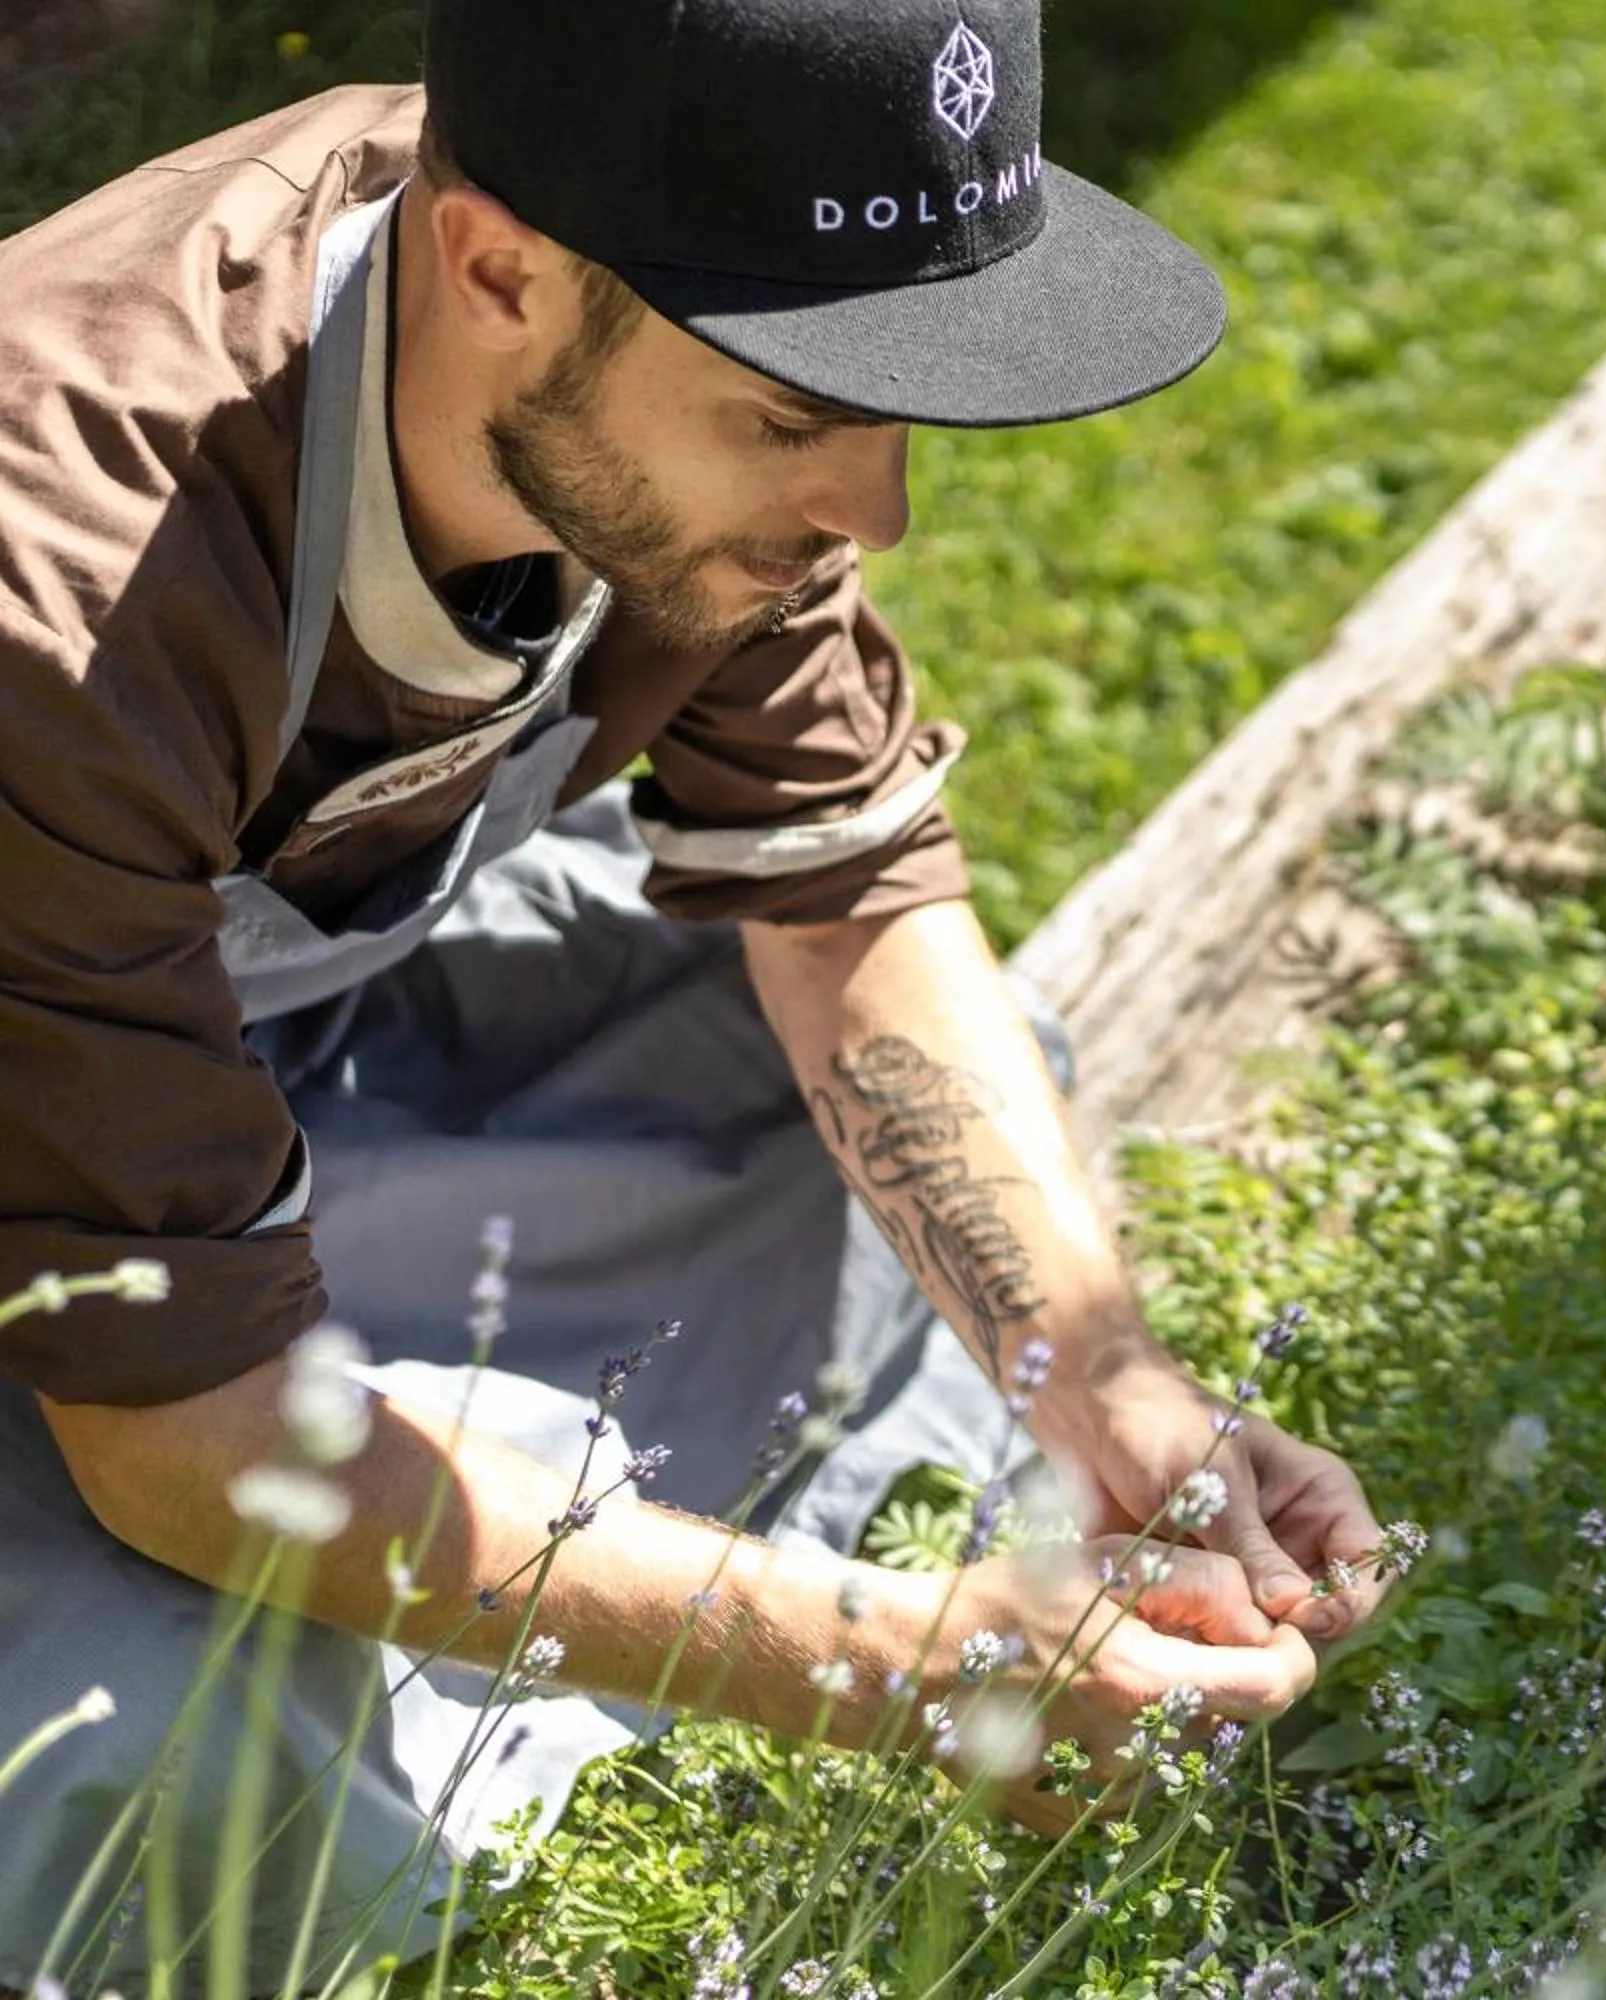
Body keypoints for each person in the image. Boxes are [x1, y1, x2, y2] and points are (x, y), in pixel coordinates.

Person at [0, 0, 1389, 1981]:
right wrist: (897, 1665)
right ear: (496, 272)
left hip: (225, 1061)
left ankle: (501, 1511)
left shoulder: (635, 254)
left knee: (905, 1134)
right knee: (168, 1726)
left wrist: (1115, 1390)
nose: (875, 512)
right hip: (65, 1238)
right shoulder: (63, 596)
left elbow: (843, 903)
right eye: (798, 418)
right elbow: (177, 1439)